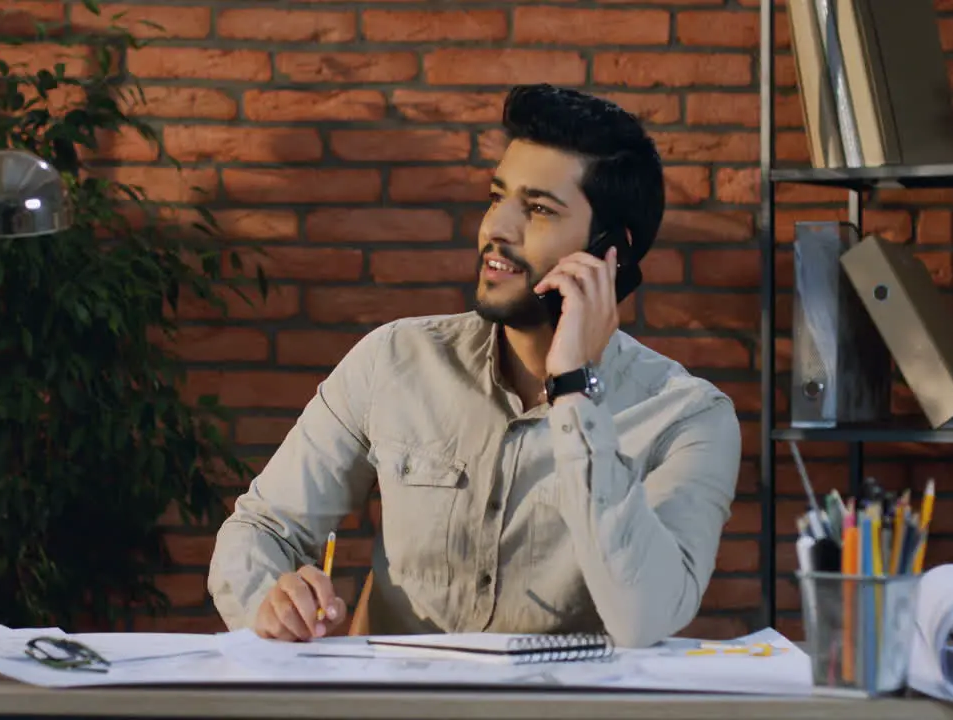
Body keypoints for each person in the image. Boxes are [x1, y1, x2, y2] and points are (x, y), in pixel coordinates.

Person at [207, 84, 741, 648]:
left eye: (537, 209)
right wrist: (269, 602)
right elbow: (262, 528)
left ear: (612, 252)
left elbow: (646, 617)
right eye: (497, 197)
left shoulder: (688, 418)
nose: (496, 229)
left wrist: (572, 389)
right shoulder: (394, 359)